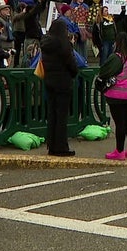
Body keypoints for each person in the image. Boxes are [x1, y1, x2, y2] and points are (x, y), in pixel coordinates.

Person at [99, 33, 127, 161]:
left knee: (120, 123)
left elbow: (104, 71)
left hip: (117, 94)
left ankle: (119, 151)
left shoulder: (117, 57)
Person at [40, 21, 79, 156]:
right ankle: (61, 146)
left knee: (52, 115)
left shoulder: (45, 43)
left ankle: (52, 146)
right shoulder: (63, 43)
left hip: (49, 81)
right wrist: (74, 73)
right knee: (62, 116)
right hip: (63, 82)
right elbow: (72, 64)